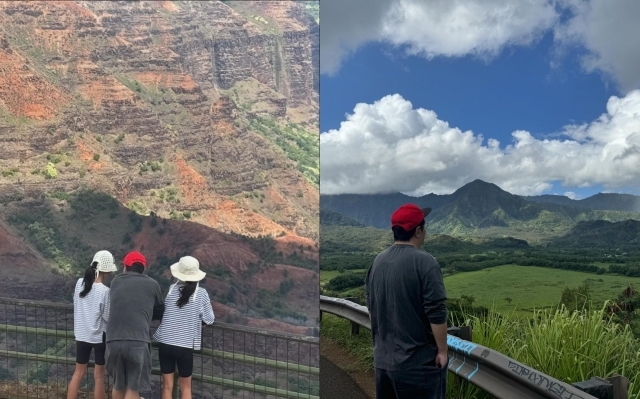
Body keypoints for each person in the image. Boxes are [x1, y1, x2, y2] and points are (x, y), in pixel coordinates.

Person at [364, 204, 448, 399]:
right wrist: (442, 351)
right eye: (424, 228)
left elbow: (372, 309)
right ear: (418, 231)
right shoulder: (426, 262)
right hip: (417, 365)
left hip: (383, 362)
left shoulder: (377, 262)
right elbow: (436, 311)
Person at [105, 251, 165, 399]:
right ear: (143, 268)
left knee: (118, 384)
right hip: (138, 340)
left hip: (113, 340)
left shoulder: (115, 282)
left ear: (125, 266)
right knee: (133, 386)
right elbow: (160, 309)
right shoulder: (152, 284)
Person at [153, 256, 215, 399]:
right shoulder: (201, 294)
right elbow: (210, 319)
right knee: (185, 387)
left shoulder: (171, 289)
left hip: (166, 343)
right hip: (184, 346)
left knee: (167, 386)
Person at [67, 250, 117, 399]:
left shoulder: (79, 284)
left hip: (81, 334)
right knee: (99, 376)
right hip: (98, 337)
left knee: (78, 373)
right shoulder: (105, 291)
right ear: (107, 271)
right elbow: (107, 316)